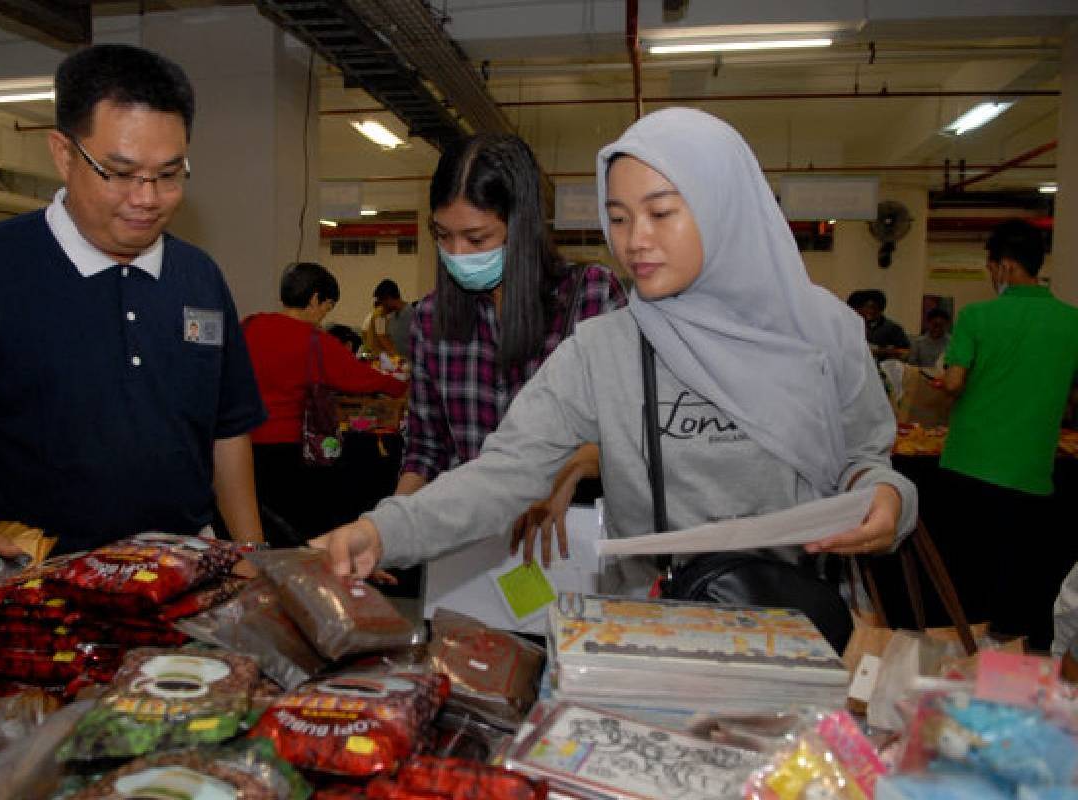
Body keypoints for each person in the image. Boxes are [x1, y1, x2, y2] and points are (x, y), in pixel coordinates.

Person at [312, 108, 917, 600]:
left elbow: (866, 459)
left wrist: (889, 501)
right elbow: (502, 474)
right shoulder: (606, 348)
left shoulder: (822, 331)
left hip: (798, 629)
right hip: (650, 636)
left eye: (661, 213)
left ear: (722, 205)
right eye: (620, 218)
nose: (635, 241)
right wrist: (379, 531)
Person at [0, 44, 267, 628]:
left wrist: (250, 556)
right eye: (120, 173)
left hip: (183, 587)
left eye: (168, 175)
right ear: (64, 153)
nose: (146, 199)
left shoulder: (199, 276)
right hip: (39, 594)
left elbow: (227, 432)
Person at [395, 133, 626, 502]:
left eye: (476, 238)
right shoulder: (429, 319)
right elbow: (425, 450)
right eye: (443, 235)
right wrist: (386, 529)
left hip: (567, 537)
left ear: (521, 227)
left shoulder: (591, 298)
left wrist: (572, 469)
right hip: (466, 539)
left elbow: (628, 434)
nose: (456, 254)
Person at [935, 219, 1078, 650]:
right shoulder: (1071, 322)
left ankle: (964, 657)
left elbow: (955, 382)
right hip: (1032, 468)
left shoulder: (978, 315)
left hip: (969, 461)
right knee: (1020, 574)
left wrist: (944, 382)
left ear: (1005, 267)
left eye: (991, 266)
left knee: (967, 574)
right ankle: (1012, 661)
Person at [244, 262, 407, 543]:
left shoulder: (248, 326)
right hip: (287, 450)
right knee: (296, 531)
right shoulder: (314, 340)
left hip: (240, 448)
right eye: (326, 307)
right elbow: (358, 378)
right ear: (314, 298)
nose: (322, 316)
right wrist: (402, 385)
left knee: (254, 527)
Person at [851, 289, 911, 360]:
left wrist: (879, 351)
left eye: (871, 307)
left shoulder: (892, 328)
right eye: (865, 306)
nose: (867, 310)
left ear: (880, 309)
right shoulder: (856, 325)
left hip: (883, 368)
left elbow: (905, 352)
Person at [373, 279, 412, 358]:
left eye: (382, 302)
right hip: (397, 364)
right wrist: (380, 316)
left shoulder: (411, 315)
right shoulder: (391, 317)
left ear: (389, 298)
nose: (382, 306)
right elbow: (382, 337)